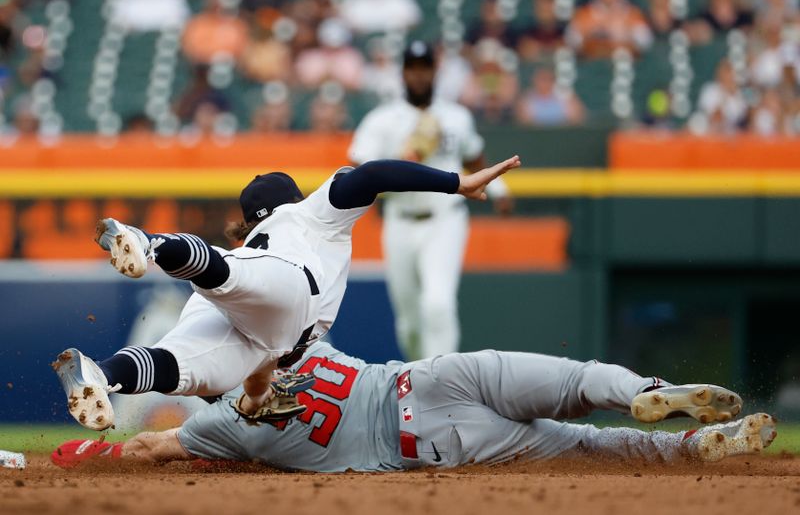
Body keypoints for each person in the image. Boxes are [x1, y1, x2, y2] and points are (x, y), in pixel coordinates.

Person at [53, 155, 521, 431]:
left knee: (184, 366)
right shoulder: (311, 213)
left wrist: (255, 400)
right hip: (287, 289)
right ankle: (149, 243)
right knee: (229, 288)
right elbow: (372, 175)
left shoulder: (252, 240)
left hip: (253, 330)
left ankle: (103, 374)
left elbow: (261, 367)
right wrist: (456, 182)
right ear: (293, 199)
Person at [52, 340, 771, 472]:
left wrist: (95, 450)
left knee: (584, 445)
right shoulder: (295, 336)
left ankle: (680, 450)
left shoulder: (220, 426)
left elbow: (153, 447)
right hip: (428, 378)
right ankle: (646, 393)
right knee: (582, 378)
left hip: (424, 442)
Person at [349, 41, 514, 361]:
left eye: (425, 68)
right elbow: (359, 169)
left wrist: (499, 189)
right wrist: (402, 159)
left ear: (434, 72)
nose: (419, 75)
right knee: (409, 323)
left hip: (445, 218)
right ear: (403, 73)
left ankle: (440, 384)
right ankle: (419, 373)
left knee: (438, 304)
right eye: (413, 68)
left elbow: (473, 157)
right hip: (399, 219)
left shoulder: (455, 116)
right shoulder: (383, 119)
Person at [566, 0, 653, 59]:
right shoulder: (584, 13)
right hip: (592, 64)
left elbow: (645, 42)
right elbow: (572, 41)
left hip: (623, 62)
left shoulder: (633, 13)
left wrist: (618, 44)